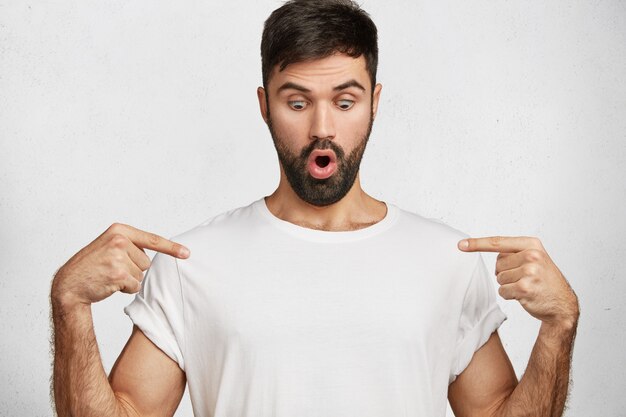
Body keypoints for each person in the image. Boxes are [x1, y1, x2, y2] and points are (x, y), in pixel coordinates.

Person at [50, 1, 580, 416]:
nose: (323, 128)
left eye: (345, 102)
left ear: (375, 101)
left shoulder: (449, 259)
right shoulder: (191, 261)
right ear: (265, 106)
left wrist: (560, 326)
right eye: (297, 102)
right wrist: (69, 303)